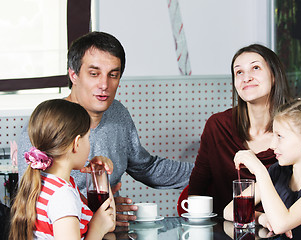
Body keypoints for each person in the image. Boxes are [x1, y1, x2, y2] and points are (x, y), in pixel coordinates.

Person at [17, 31, 194, 225]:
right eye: (94, 74)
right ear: (73, 75)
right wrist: (97, 214)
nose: (104, 85)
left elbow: (146, 167)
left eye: (113, 75)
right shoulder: (44, 125)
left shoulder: (118, 113)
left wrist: (210, 171)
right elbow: (33, 202)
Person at [188, 44, 292, 216]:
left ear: (274, 76)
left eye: (255, 68)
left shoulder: (297, 129)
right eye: (239, 72)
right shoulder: (217, 126)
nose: (246, 78)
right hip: (224, 230)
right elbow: (197, 188)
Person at [224, 99, 301, 240]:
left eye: (280, 136)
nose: (272, 145)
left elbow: (281, 224)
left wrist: (260, 171)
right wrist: (262, 218)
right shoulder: (279, 171)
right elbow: (230, 210)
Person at [10, 99, 116, 240]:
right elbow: (101, 225)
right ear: (76, 143)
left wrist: (99, 174)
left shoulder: (48, 183)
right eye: (88, 138)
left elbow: (108, 222)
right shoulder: (63, 197)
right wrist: (96, 230)